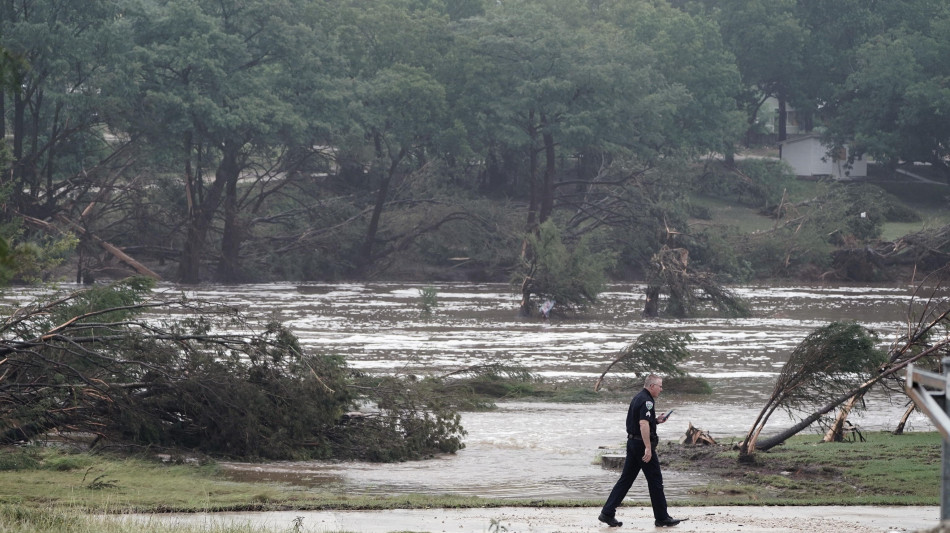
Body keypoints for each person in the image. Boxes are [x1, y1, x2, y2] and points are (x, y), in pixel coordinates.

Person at [598, 374, 686, 528]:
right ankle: (662, 517)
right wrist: (648, 448)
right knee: (655, 481)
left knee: (625, 480)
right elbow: (643, 424)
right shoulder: (646, 401)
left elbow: (645, 420)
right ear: (652, 386)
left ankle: (607, 513)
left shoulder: (639, 397)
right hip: (641, 446)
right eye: (660, 386)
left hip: (632, 443)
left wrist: (656, 420)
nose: (661, 389)